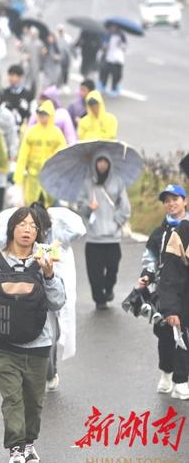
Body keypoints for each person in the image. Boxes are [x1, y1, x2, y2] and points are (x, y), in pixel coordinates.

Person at [0, 207, 65, 463]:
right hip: (5, 345)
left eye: (33, 226)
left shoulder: (44, 258)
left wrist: (48, 275)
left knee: (34, 400)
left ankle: (29, 443)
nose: (27, 230)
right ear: (12, 229)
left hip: (39, 344)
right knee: (12, 398)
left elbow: (58, 301)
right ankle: (16, 448)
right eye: (22, 224)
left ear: (38, 233)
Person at [138, 185, 189, 399]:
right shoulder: (159, 233)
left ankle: (181, 379)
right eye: (167, 200)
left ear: (185, 201)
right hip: (163, 288)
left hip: (185, 289)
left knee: (183, 332)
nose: (171, 203)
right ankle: (166, 371)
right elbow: (149, 257)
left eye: (175, 198)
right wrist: (147, 275)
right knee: (165, 334)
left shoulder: (186, 229)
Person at [77, 154, 131, 310]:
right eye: (99, 161)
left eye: (105, 161)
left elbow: (125, 207)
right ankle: (99, 299)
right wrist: (88, 206)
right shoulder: (87, 184)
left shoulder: (118, 182)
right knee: (95, 272)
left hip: (113, 238)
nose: (101, 165)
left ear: (109, 163)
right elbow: (80, 205)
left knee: (112, 268)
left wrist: (117, 222)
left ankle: (109, 289)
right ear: (94, 163)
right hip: (94, 238)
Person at [158, 218, 189, 401]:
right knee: (182, 340)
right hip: (185, 301)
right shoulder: (183, 231)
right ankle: (181, 380)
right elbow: (170, 274)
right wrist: (170, 309)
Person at [14, 101, 67, 206]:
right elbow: (23, 155)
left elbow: (63, 153)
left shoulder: (57, 133)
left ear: (50, 115)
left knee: (51, 207)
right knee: (32, 206)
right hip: (33, 176)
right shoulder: (31, 132)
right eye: (40, 114)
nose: (42, 116)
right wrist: (19, 175)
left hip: (50, 176)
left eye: (45, 114)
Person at [0, 88, 19, 205]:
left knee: (1, 181)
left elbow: (12, 135)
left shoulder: (7, 114)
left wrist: (12, 153)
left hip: (2, 153)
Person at [98, 24, 126, 97]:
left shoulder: (121, 36)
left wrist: (120, 44)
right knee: (104, 74)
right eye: (111, 27)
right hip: (108, 58)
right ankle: (103, 87)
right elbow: (103, 46)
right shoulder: (107, 35)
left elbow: (124, 47)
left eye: (114, 27)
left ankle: (114, 88)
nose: (113, 28)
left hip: (118, 60)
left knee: (116, 75)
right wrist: (104, 46)